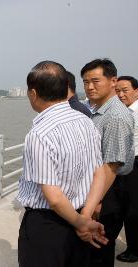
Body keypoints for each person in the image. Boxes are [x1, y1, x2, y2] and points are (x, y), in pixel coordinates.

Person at [17, 60, 108, 267]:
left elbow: (55, 198)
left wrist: (81, 223)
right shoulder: (85, 121)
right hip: (81, 213)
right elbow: (99, 173)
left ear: (33, 93)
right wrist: (84, 217)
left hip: (49, 226)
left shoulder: (40, 134)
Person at [81, 59, 135, 267]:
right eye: (86, 82)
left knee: (98, 250)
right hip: (100, 187)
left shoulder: (116, 115)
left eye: (95, 81)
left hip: (108, 189)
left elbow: (111, 166)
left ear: (113, 81)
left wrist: (94, 203)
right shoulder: (98, 110)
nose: (90, 87)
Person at [114, 76, 138, 263]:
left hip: (134, 164)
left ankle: (134, 249)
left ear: (136, 91)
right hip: (127, 163)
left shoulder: (133, 112)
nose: (121, 95)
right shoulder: (124, 111)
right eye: (118, 91)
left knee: (132, 208)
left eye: (125, 90)